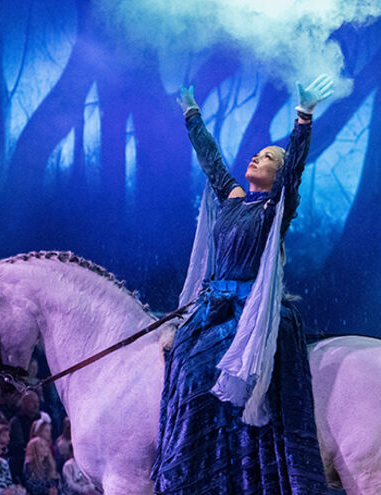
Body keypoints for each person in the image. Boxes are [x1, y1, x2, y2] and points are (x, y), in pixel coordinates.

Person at [151, 75, 334, 494]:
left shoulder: (275, 207)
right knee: (178, 358)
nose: (256, 158)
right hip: (212, 308)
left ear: (278, 173)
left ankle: (226, 467)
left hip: (247, 314)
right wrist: (191, 114)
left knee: (199, 369)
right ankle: (191, 468)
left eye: (267, 158)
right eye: (256, 154)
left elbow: (295, 169)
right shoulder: (233, 198)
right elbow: (212, 161)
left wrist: (303, 117)